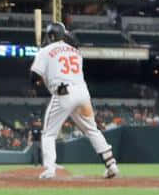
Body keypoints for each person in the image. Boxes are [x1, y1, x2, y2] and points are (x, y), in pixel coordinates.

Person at [29, 22, 120, 179]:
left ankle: (50, 169)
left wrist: (40, 62)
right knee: (92, 130)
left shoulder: (45, 51)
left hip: (64, 93)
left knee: (49, 134)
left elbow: (33, 77)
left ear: (50, 35)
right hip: (83, 93)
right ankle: (111, 165)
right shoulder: (76, 52)